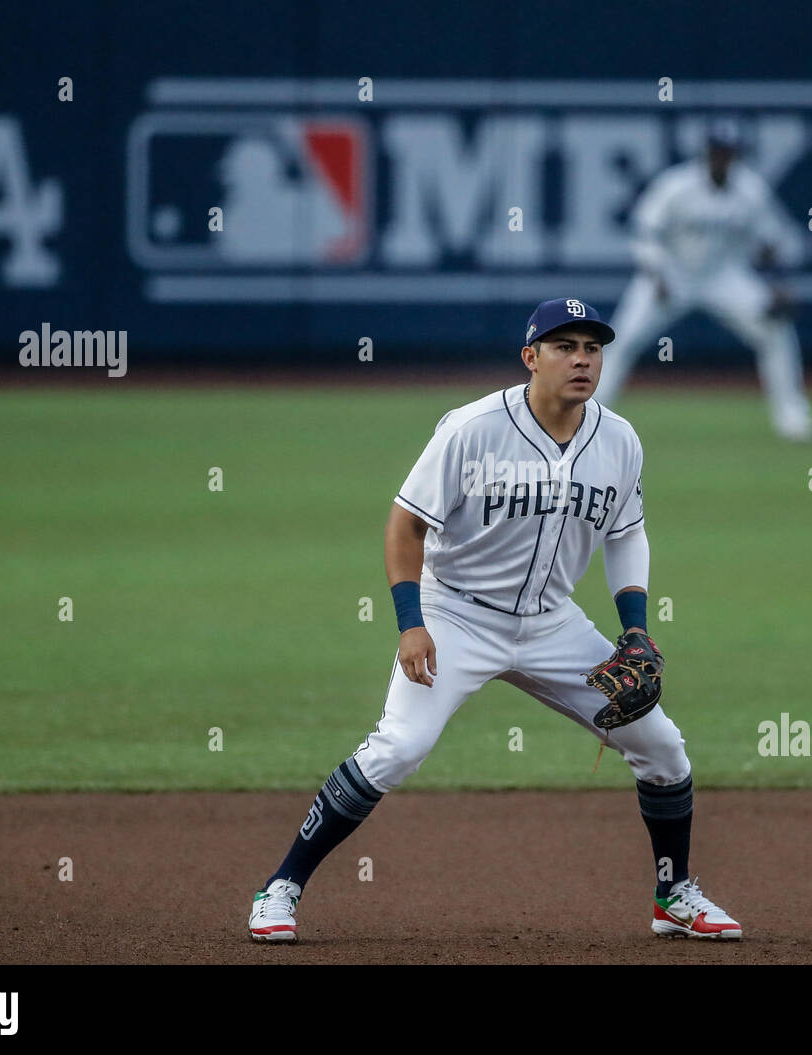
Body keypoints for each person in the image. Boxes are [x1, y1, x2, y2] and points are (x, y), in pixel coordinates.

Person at [248, 297, 742, 943]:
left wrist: (636, 627)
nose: (583, 359)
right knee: (399, 747)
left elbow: (626, 534)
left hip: (553, 624)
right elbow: (406, 522)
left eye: (593, 347)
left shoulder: (619, 439)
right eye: (566, 346)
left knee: (662, 746)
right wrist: (411, 621)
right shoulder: (472, 427)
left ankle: (672, 894)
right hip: (456, 614)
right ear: (530, 357)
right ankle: (280, 886)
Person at [597, 119, 812, 441]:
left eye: (727, 152)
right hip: (670, 273)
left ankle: (792, 417)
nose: (721, 158)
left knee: (775, 329)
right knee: (623, 339)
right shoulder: (677, 186)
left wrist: (777, 284)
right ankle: (588, 416)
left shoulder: (751, 190)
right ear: (706, 153)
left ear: (736, 155)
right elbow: (644, 231)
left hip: (722, 276)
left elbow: (770, 241)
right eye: (716, 151)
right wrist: (655, 271)